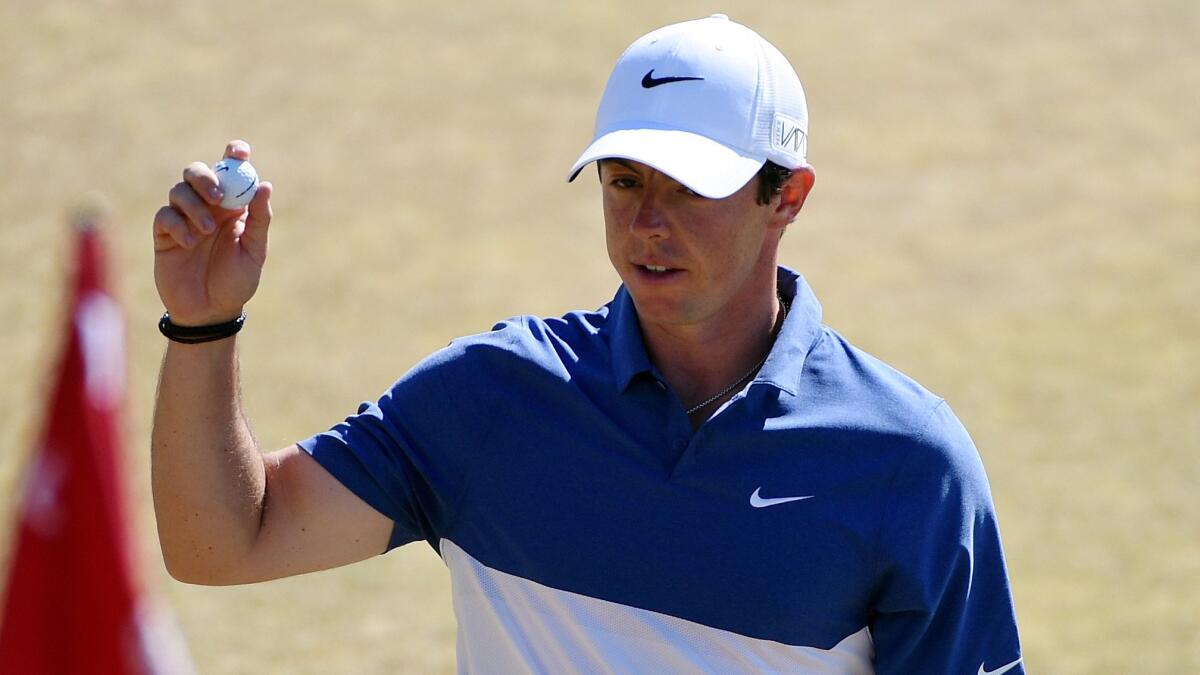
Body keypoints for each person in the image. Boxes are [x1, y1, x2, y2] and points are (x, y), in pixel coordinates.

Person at [151, 14, 1023, 674]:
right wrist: (201, 326)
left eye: (689, 187)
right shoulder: (489, 399)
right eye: (623, 179)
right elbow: (224, 543)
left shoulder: (911, 467)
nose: (647, 220)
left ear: (787, 196)